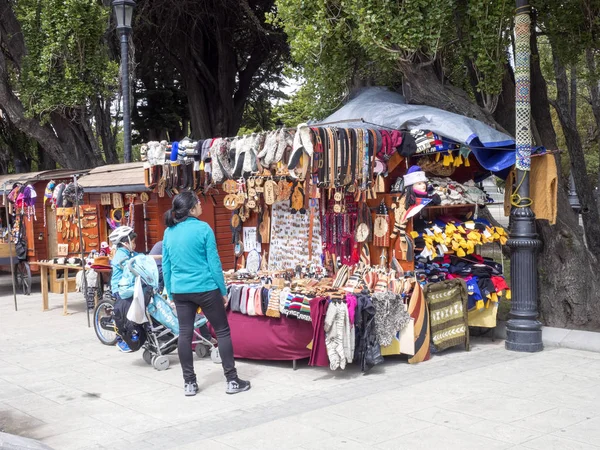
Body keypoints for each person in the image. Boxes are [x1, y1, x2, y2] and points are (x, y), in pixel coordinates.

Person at [163, 191, 250, 397]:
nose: (201, 204)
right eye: (198, 202)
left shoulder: (169, 232)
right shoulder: (203, 229)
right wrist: (222, 290)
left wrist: (170, 293)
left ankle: (190, 384)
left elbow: (166, 266)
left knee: (184, 334)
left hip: (180, 290)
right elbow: (214, 263)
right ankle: (231, 380)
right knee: (222, 332)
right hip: (205, 287)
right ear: (192, 209)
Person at [109, 226, 138, 353]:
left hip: (129, 287)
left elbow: (142, 257)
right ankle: (120, 341)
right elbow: (129, 264)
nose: (135, 244)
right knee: (123, 314)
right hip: (120, 288)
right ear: (125, 243)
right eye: (133, 242)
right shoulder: (121, 255)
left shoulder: (130, 252)